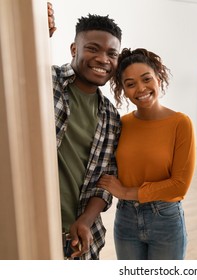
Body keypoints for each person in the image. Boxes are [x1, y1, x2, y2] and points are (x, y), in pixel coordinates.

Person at [97, 48, 196, 260]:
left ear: (159, 78)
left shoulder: (180, 123)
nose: (141, 89)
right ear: (123, 90)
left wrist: (125, 192)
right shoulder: (121, 124)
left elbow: (180, 185)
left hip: (165, 219)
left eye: (146, 79)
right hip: (125, 219)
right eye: (130, 84)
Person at [48, 3, 122, 260]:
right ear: (74, 49)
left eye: (112, 54)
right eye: (93, 49)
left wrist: (86, 220)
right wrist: (34, 33)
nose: (103, 59)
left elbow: (106, 179)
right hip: (32, 225)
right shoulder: (47, 81)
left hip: (81, 237)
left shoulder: (111, 116)